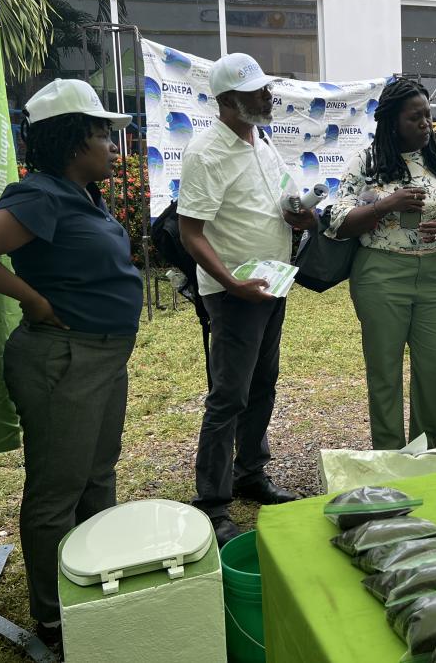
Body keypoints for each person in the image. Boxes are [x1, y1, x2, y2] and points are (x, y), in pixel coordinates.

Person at [0, 79, 142, 647]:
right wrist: (30, 298)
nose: (111, 146)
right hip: (63, 360)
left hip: (100, 358)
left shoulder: (83, 195)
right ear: (73, 140)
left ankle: (96, 581)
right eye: (102, 134)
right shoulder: (42, 195)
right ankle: (56, 618)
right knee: (59, 488)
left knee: (97, 477)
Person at [177, 52, 315, 546]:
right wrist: (232, 284)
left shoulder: (260, 141)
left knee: (264, 382)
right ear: (229, 102)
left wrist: (298, 216)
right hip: (235, 292)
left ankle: (250, 473)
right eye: (257, 92)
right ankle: (212, 503)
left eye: (266, 88)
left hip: (271, 282)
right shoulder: (206, 153)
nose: (267, 96)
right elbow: (190, 231)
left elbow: (277, 201)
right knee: (229, 395)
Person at [328, 78, 436, 449]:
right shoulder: (368, 162)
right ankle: (390, 455)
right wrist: (385, 205)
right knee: (385, 370)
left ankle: (423, 450)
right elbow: (337, 220)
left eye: (427, 116)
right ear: (392, 122)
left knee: (433, 368)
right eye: (415, 118)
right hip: (381, 273)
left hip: (434, 273)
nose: (425, 124)